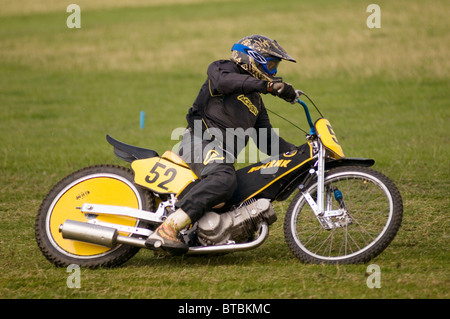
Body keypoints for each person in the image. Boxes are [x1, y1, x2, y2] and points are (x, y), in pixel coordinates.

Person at [146, 35, 302, 255]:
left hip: (221, 157)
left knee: (242, 189)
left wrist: (301, 154)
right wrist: (268, 86)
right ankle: (167, 228)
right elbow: (224, 82)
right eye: (271, 64)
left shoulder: (256, 102)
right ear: (252, 58)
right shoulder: (222, 69)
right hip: (199, 142)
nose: (274, 72)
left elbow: (267, 140)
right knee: (224, 179)